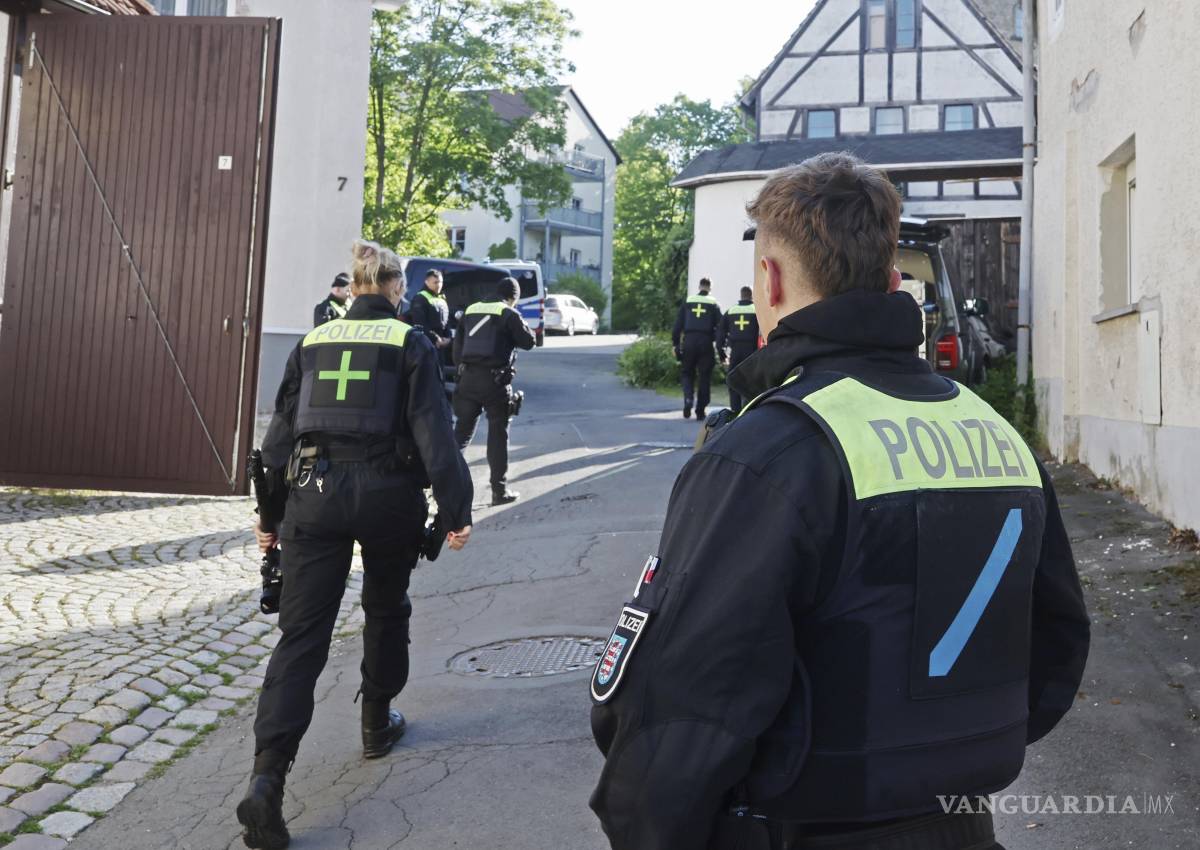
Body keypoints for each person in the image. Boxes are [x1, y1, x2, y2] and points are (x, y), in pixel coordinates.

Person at [589, 153, 1090, 850]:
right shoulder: (995, 434)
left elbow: (680, 710)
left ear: (768, 277)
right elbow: (1058, 642)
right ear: (892, 282)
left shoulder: (767, 450)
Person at [238, 240, 474, 850]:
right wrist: (455, 511)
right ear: (396, 286)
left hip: (312, 496)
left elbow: (276, 441)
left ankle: (267, 778)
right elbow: (435, 435)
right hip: (388, 495)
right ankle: (375, 721)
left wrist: (270, 517)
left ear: (357, 285)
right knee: (386, 605)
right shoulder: (411, 342)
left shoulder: (312, 341)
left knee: (303, 635)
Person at [452, 276, 535, 506]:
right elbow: (529, 341)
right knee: (498, 435)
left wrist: (463, 371)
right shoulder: (508, 313)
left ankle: (442, 489)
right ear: (513, 297)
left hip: (468, 379)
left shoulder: (471, 310)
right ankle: (499, 491)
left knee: (461, 434)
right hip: (495, 382)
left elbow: (456, 347)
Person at [672, 277, 721, 419]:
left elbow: (677, 326)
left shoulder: (688, 301)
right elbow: (720, 326)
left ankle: (688, 399)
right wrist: (718, 343)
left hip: (689, 341)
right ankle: (700, 410)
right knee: (704, 376)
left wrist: (676, 344)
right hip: (705, 342)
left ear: (699, 287)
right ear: (710, 288)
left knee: (687, 372)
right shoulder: (713, 303)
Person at [717, 286, 759, 414]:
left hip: (735, 351)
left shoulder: (730, 311)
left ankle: (734, 412)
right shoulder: (757, 310)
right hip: (752, 351)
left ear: (741, 295)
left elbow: (720, 335)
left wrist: (722, 354)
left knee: (733, 381)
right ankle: (748, 412)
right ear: (751, 296)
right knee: (751, 382)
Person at [409, 269, 452, 352]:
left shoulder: (441, 298)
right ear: (427, 282)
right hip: (427, 344)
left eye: (441, 282)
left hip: (440, 345)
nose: (439, 285)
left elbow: (446, 321)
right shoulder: (420, 298)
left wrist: (448, 337)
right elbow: (420, 324)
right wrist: (435, 338)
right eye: (435, 282)